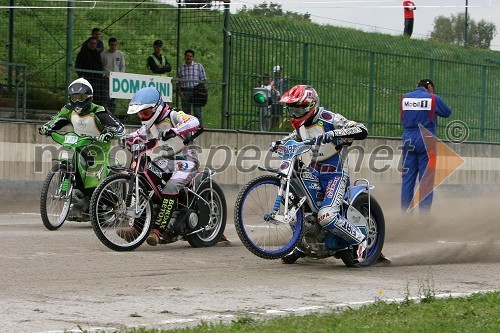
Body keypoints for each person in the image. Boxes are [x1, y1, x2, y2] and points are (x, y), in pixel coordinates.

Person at [272, 85, 368, 263]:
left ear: (311, 106)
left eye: (299, 108)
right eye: (292, 109)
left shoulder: (330, 118)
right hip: (314, 171)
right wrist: (278, 143)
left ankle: (361, 240)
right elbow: (291, 138)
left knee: (326, 216)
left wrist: (333, 134)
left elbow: (361, 130)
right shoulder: (300, 126)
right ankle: (299, 245)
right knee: (295, 211)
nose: (295, 113)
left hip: (336, 174)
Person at [118, 87, 201, 246]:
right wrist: (125, 139)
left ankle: (157, 230)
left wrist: (174, 131)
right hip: (167, 160)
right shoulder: (148, 125)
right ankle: (137, 226)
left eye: (146, 113)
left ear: (156, 108)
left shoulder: (174, 115)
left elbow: (195, 121)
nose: (143, 117)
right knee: (146, 180)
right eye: (140, 114)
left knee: (171, 186)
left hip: (187, 159)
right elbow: (137, 135)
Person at [38, 78, 126, 218]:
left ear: (89, 97)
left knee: (92, 188)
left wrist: (109, 133)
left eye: (82, 97)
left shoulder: (99, 111)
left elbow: (120, 129)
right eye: (75, 97)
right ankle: (76, 197)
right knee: (71, 169)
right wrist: (46, 128)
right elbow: (55, 121)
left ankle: (117, 204)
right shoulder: (68, 110)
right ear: (70, 98)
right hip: (78, 147)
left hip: (97, 151)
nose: (78, 101)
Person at [400, 79, 451, 213]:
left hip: (408, 138)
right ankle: (424, 216)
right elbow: (447, 112)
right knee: (426, 180)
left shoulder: (405, 98)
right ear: (429, 87)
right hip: (426, 138)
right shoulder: (433, 98)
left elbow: (403, 118)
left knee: (407, 178)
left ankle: (405, 215)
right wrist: (432, 95)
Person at [176, 49, 207, 126]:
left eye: (190, 56)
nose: (188, 57)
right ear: (185, 57)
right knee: (186, 112)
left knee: (197, 111)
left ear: (193, 57)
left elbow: (204, 80)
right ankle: (187, 128)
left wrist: (201, 90)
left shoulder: (199, 66)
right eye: (187, 56)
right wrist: (180, 92)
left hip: (196, 92)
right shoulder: (181, 68)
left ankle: (198, 128)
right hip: (185, 91)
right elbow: (178, 81)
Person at [75, 36, 105, 106]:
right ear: (88, 44)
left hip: (96, 79)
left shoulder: (97, 54)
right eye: (91, 43)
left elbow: (100, 66)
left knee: (96, 96)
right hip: (86, 78)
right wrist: (81, 75)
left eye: (94, 43)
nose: (93, 45)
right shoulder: (82, 53)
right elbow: (78, 65)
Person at [100, 37, 126, 113]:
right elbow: (101, 66)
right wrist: (103, 74)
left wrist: (121, 76)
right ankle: (105, 113)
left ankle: (112, 114)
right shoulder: (103, 54)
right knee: (105, 97)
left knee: (113, 98)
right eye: (112, 44)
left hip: (116, 79)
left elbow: (122, 66)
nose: (113, 46)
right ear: (109, 45)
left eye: (115, 45)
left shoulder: (119, 54)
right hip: (106, 78)